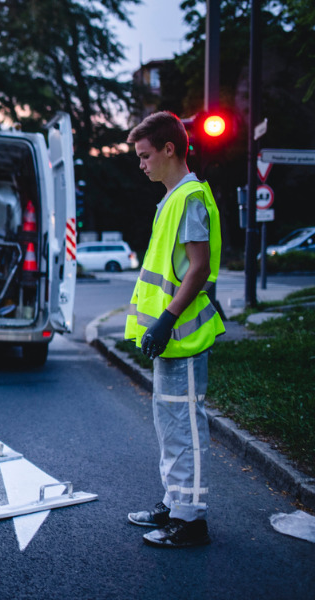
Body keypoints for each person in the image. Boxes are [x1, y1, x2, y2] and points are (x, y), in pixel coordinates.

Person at [124, 111, 224, 548]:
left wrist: (165, 320)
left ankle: (191, 520)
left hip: (183, 335)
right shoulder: (173, 199)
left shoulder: (190, 198)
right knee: (170, 427)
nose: (141, 164)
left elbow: (198, 268)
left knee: (185, 428)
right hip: (172, 338)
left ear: (170, 149)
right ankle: (175, 502)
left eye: (146, 156)